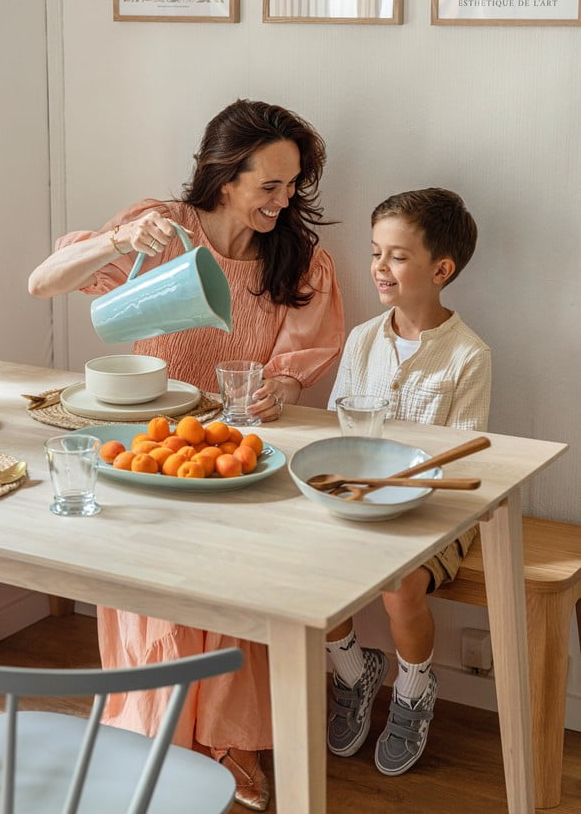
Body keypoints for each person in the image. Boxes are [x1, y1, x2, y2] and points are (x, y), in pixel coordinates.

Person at [28, 98, 345, 811]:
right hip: (147, 446)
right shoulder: (159, 231)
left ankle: (227, 742)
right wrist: (116, 243)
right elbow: (42, 283)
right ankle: (161, 739)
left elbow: (302, 358)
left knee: (231, 595)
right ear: (224, 177)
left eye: (293, 184)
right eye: (269, 184)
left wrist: (282, 384)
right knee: (157, 596)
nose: (283, 199)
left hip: (239, 451)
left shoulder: (298, 257)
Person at [325, 187, 490, 778]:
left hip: (434, 512)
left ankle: (414, 686)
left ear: (440, 270)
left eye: (396, 256)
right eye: (376, 253)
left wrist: (401, 487)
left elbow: (462, 465)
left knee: (399, 586)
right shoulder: (363, 338)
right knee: (314, 565)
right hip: (363, 499)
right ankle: (351, 669)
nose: (379, 267)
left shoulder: (468, 356)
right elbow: (340, 426)